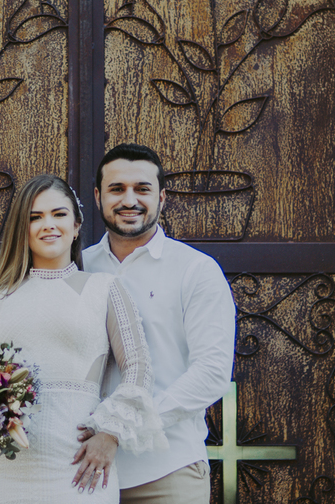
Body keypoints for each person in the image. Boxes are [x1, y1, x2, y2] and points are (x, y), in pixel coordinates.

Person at [0, 174, 167, 504]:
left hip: (81, 468)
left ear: (76, 226)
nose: (48, 225)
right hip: (4, 470)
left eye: (59, 214)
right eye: (35, 217)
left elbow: (139, 366)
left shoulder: (104, 288)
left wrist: (111, 433)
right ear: (23, 229)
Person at [80, 144, 236, 504]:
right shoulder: (79, 268)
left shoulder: (196, 270)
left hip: (167, 473)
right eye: (117, 189)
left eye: (142, 189)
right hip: (80, 472)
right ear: (98, 196)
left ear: (162, 197)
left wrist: (118, 429)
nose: (129, 199)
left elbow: (212, 373)